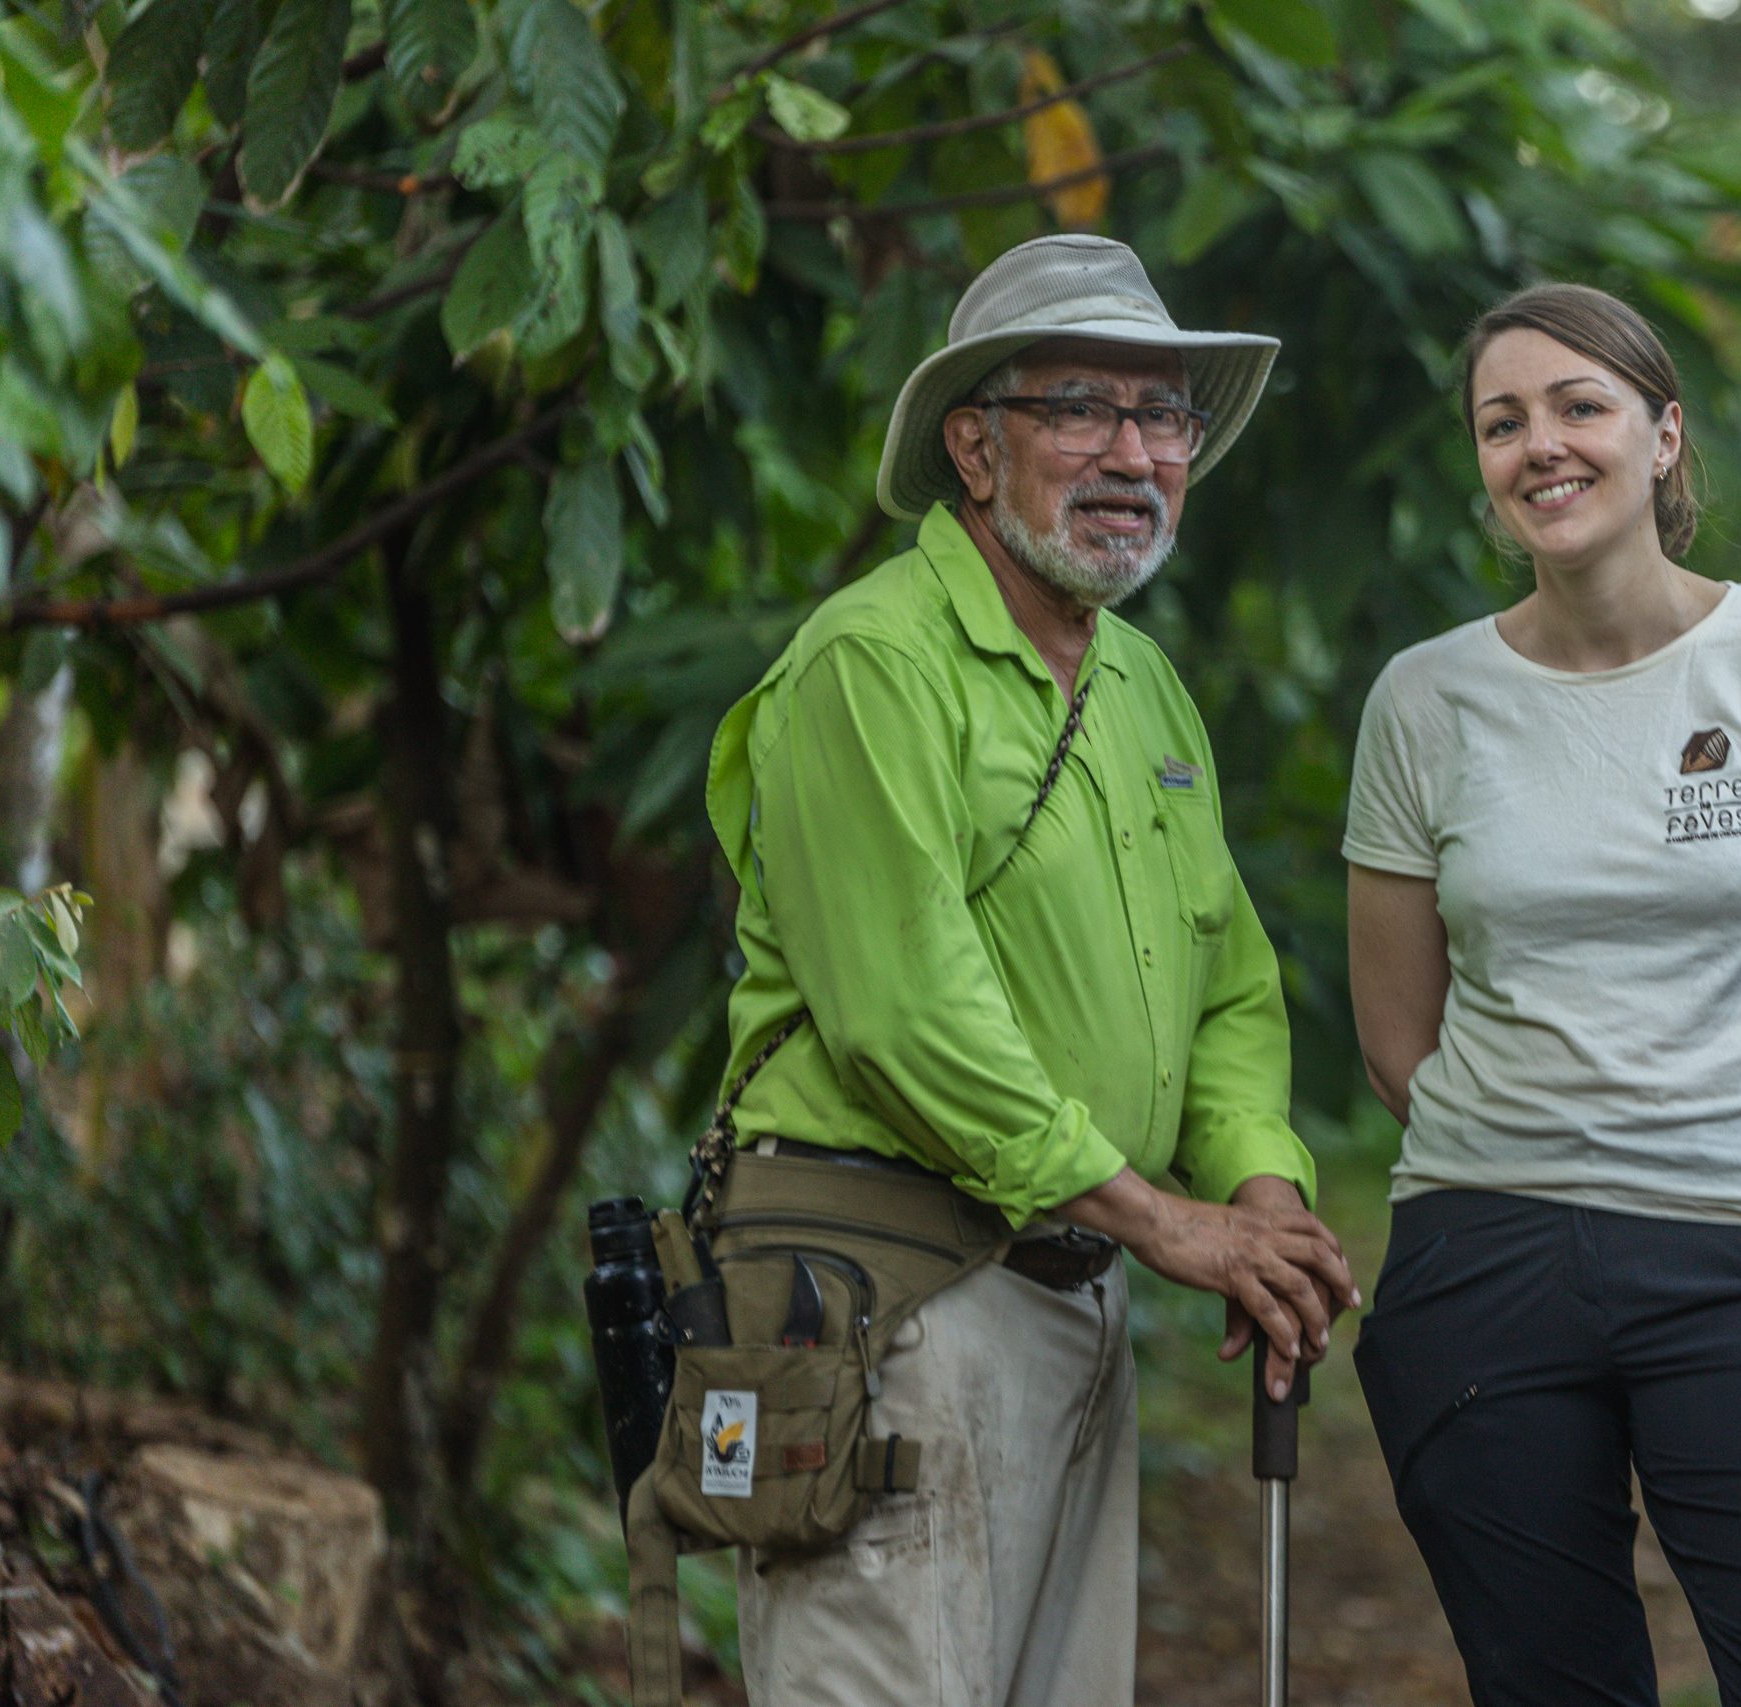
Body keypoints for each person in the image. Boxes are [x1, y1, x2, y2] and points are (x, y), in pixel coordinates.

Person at [703, 233, 1358, 1707]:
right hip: (896, 1297)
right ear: (975, 450)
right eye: (1080, 408)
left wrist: (1255, 1190)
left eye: (1165, 417)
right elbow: (905, 1014)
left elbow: (1231, 981)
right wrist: (1166, 1224)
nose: (1132, 452)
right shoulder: (869, 661)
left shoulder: (1138, 684)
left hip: (1077, 1294)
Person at [1343, 281, 1741, 1707]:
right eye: (1503, 423)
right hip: (1484, 1268)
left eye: (1578, 406)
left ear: (1663, 436)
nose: (1540, 445)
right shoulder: (1423, 703)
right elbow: (1394, 1037)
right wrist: (1545, 1176)